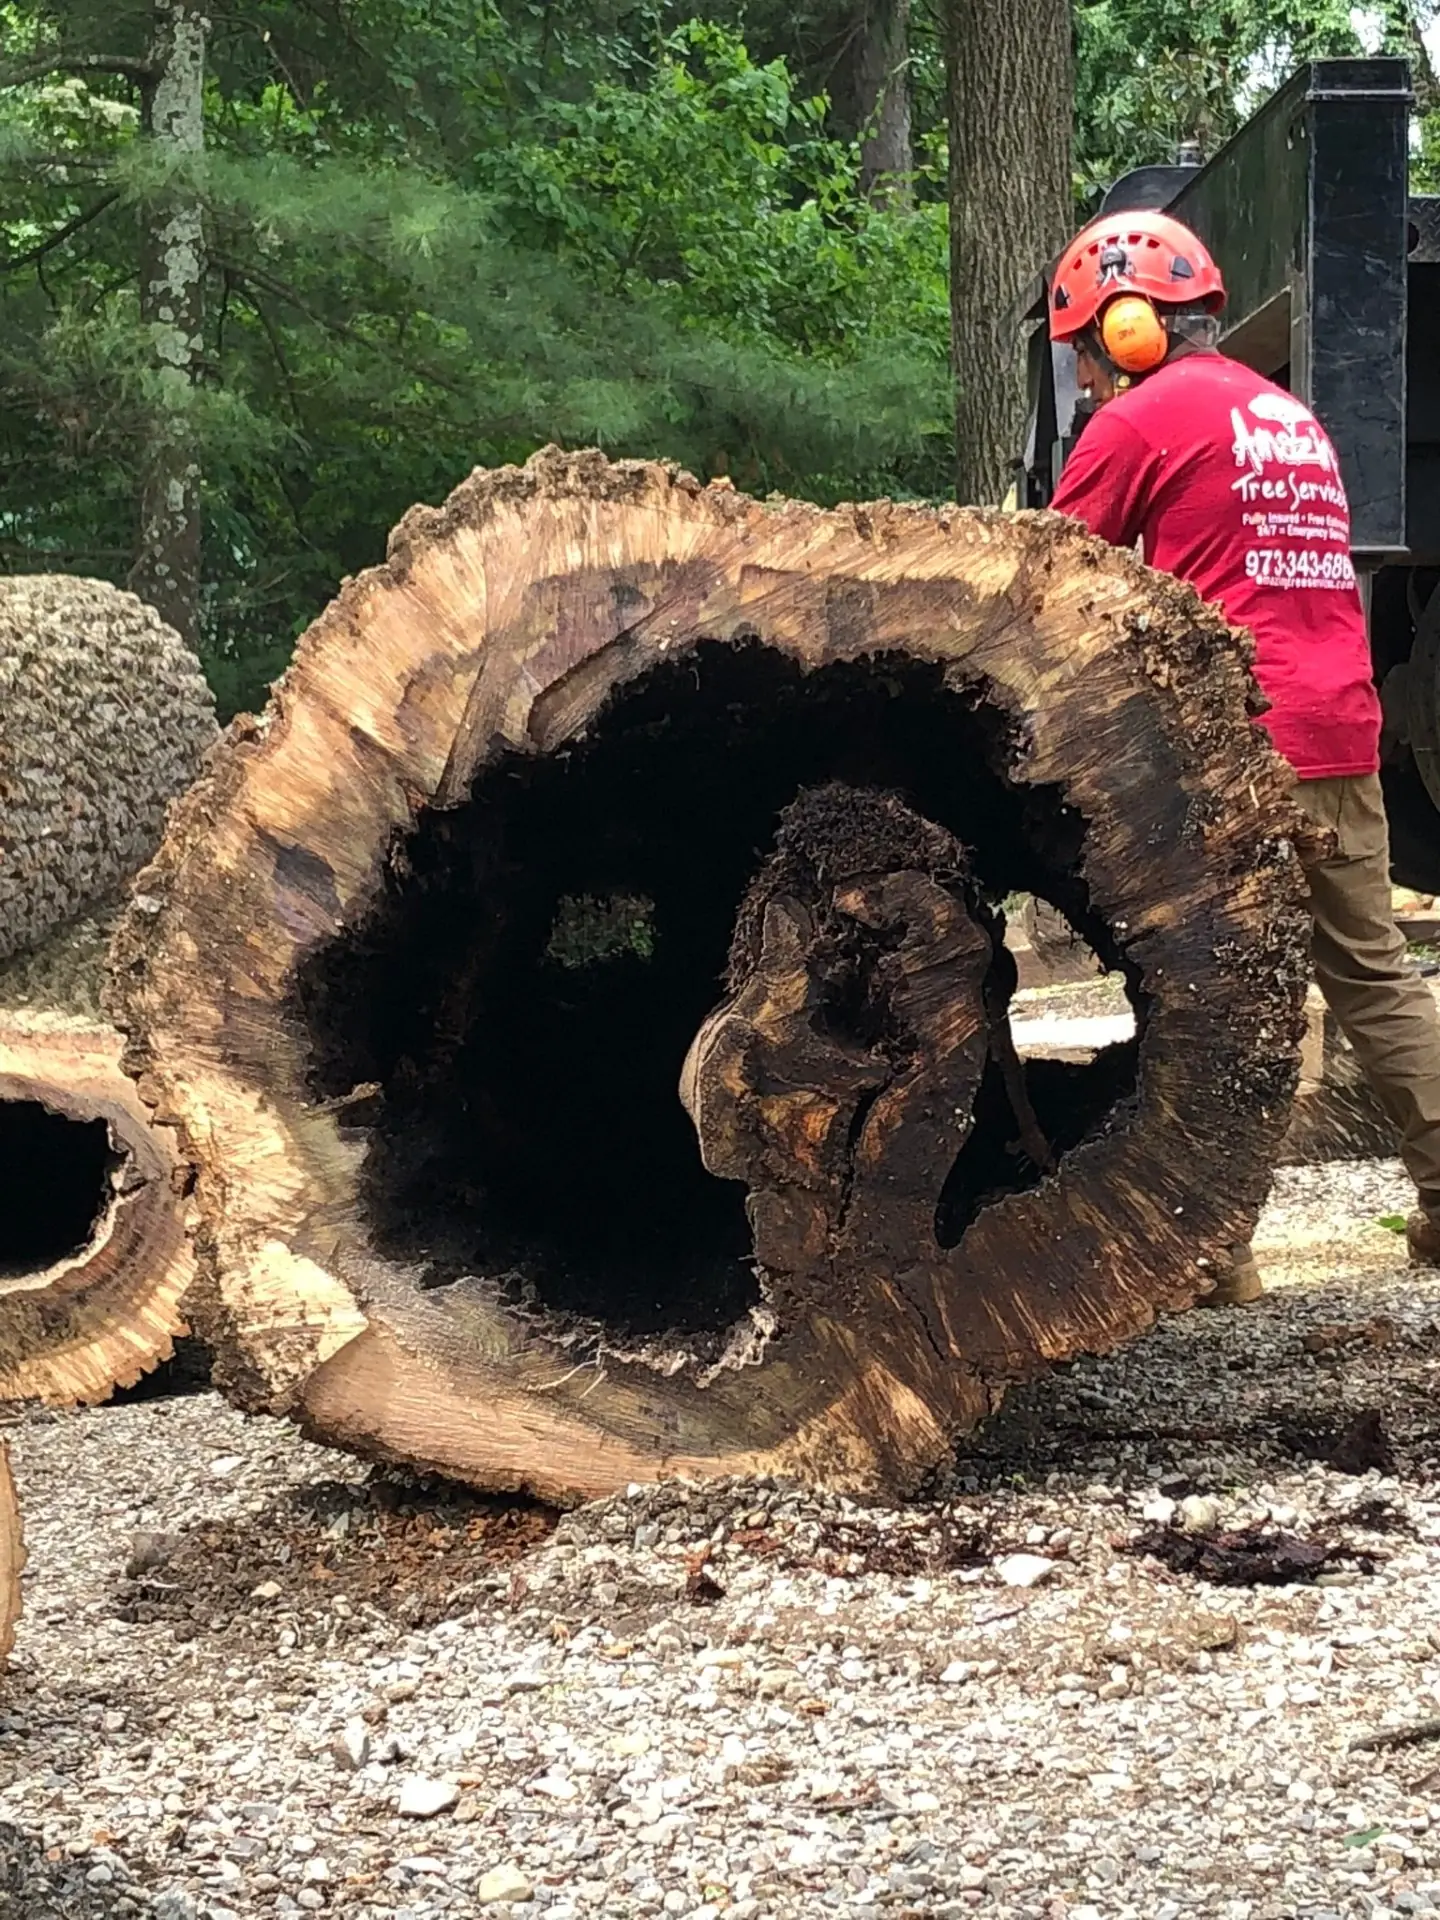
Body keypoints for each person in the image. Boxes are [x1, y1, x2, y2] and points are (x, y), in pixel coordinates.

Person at [1045, 207, 1440, 1302]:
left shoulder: (1135, 424)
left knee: (1216, 991)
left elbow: (1049, 581)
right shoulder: (1287, 415)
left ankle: (1217, 1255)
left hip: (1235, 744)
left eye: (1086, 350)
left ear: (1127, 326)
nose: (1087, 376)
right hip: (1341, 725)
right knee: (1371, 974)